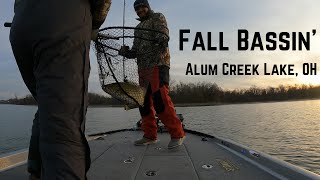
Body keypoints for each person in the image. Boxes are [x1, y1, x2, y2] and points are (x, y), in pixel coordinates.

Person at [9, 0, 111, 179]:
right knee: (63, 124)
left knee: (47, 107)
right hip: (64, 21)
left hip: (21, 23)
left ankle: (36, 171)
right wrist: (93, 25)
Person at [119, 0, 185, 149]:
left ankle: (177, 134)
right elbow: (135, 51)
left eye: (142, 7)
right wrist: (125, 52)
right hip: (142, 68)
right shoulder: (137, 28)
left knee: (160, 98)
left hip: (158, 63)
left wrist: (161, 40)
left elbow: (163, 35)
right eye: (136, 9)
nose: (139, 10)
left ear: (148, 7)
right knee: (144, 103)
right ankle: (149, 135)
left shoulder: (157, 17)